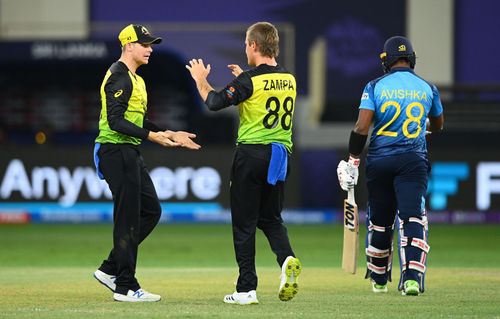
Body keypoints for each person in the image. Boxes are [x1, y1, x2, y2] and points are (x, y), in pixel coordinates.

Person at [186, 21, 301, 305]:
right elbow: (260, 94)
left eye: (246, 45)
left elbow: (213, 102)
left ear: (253, 45)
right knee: (271, 218)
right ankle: (287, 259)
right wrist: (243, 79)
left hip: (251, 154)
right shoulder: (289, 78)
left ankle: (246, 289)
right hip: (279, 155)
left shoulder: (248, 82)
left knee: (244, 224)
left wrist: (200, 79)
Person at [92, 24, 200, 303]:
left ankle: (109, 269)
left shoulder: (136, 78)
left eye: (151, 44)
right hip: (116, 151)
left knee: (151, 211)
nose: (150, 49)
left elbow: (136, 121)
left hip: (128, 151)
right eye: (145, 44)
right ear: (129, 45)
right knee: (127, 219)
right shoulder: (119, 76)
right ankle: (125, 286)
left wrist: (168, 132)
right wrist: (153, 136)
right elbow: (115, 122)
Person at [337, 36, 444, 296]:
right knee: (412, 217)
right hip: (413, 162)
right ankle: (412, 279)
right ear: (412, 58)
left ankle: (380, 279)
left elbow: (362, 127)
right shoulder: (428, 87)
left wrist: (352, 160)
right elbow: (438, 125)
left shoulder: (375, 86)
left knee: (381, 221)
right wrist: (421, 127)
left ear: (386, 60)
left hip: (380, 161)